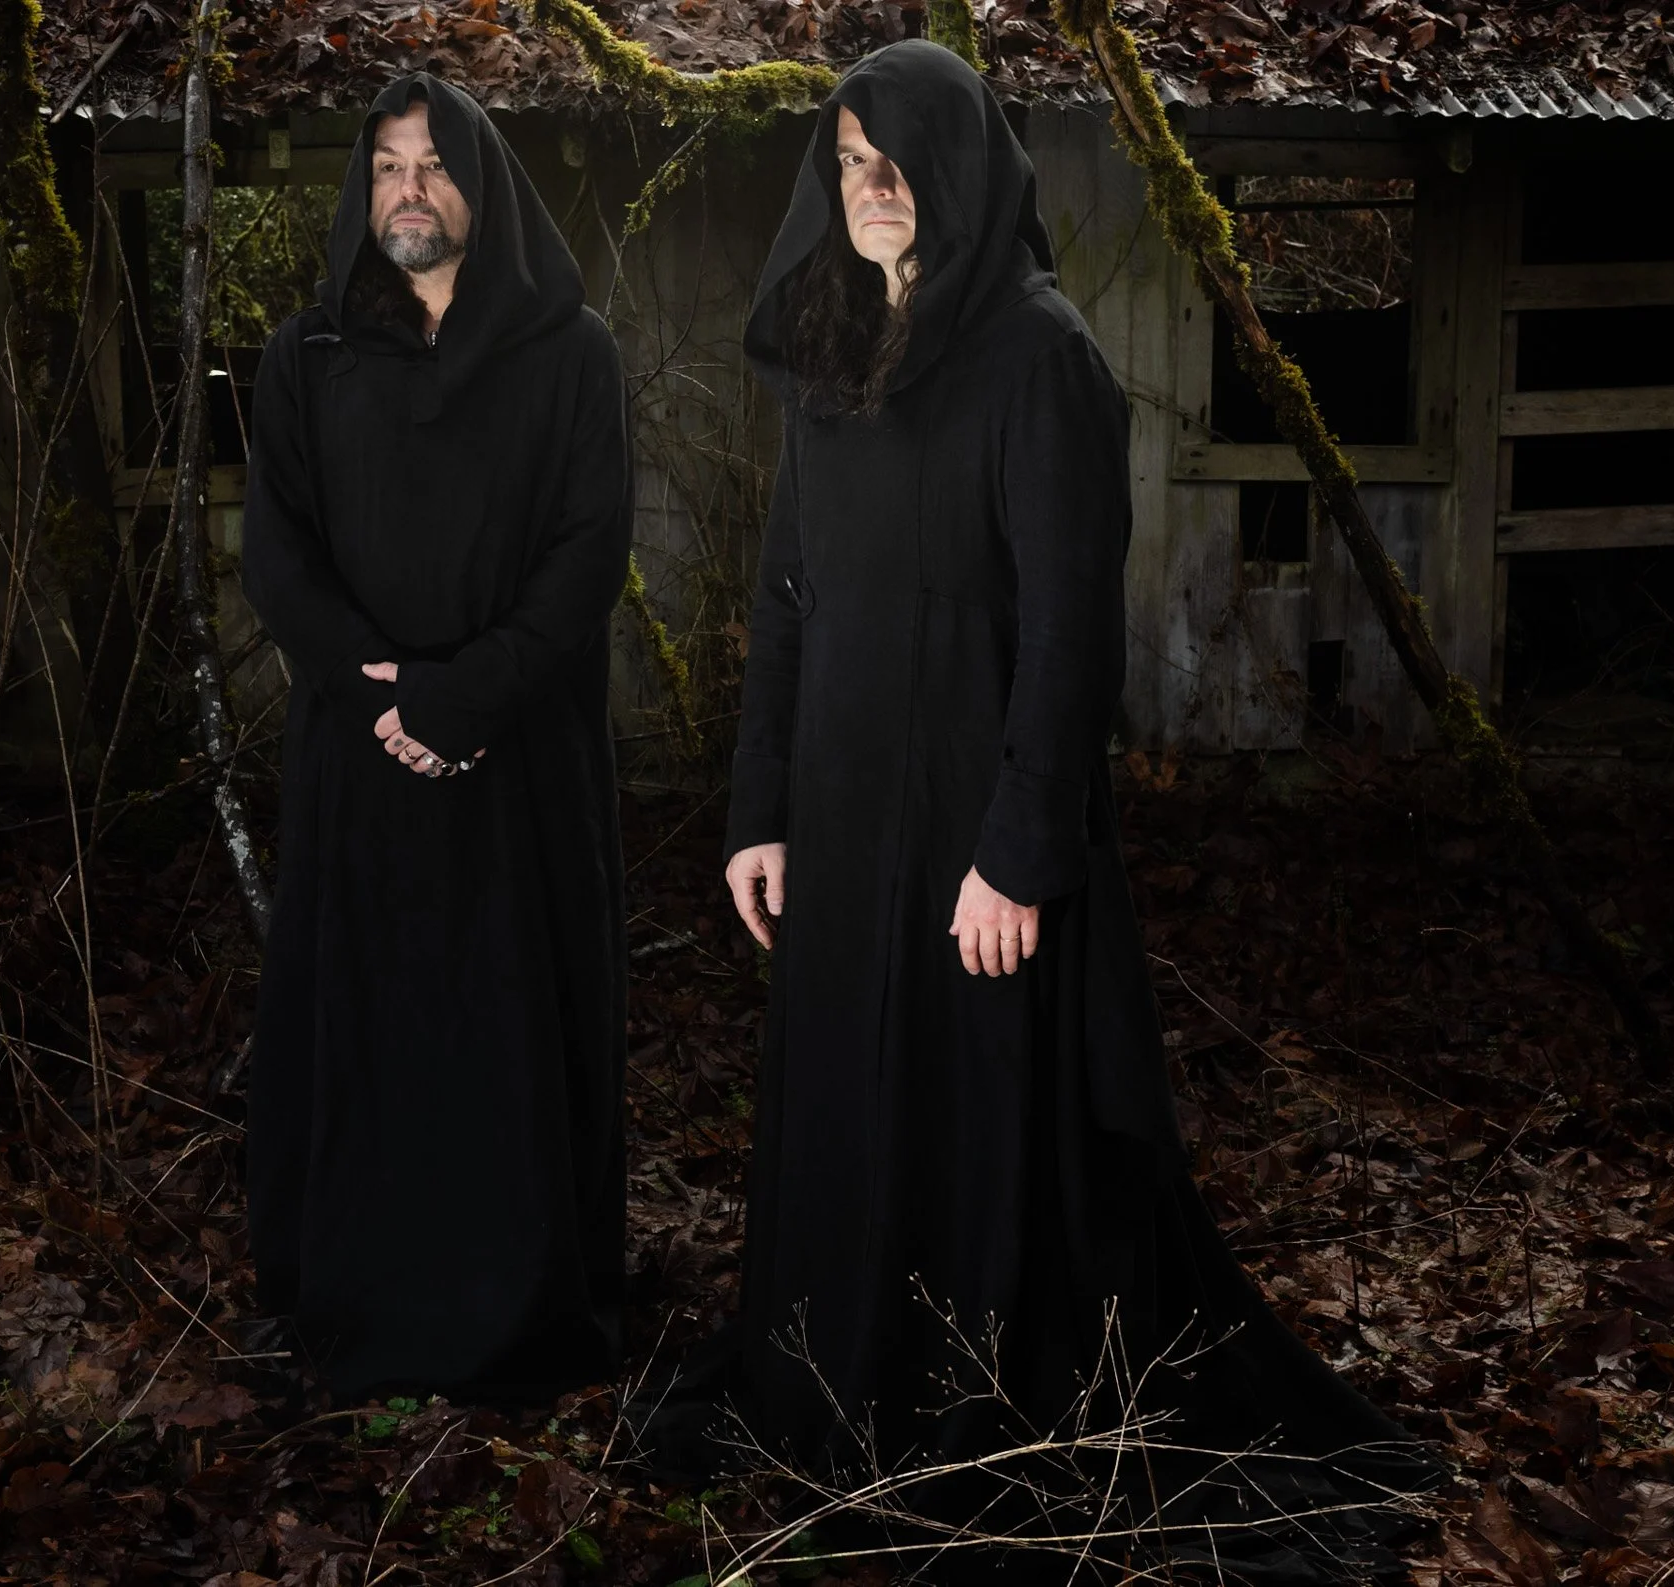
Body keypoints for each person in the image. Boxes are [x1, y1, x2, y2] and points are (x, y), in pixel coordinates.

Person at [676, 40, 1442, 1579]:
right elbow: (788, 596)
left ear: (958, 168)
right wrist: (759, 805)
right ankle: (851, 1389)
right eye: (847, 163)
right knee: (850, 1102)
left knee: (984, 1127)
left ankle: (982, 1416)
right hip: (840, 820)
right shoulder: (831, 342)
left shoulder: (1043, 358)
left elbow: (1073, 636)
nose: (869, 189)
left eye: (894, 160)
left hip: (980, 838)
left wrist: (1018, 853)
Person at [238, 72, 632, 1400]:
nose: (408, 190)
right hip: (360, 765)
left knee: (513, 1023)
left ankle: (521, 1309)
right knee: (370, 1019)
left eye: (434, 165)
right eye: (387, 167)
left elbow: (589, 553)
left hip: (523, 764)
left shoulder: (570, 353)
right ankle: (359, 1294)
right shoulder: (307, 357)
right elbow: (277, 557)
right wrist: (384, 701)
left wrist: (467, 697)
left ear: (483, 186)